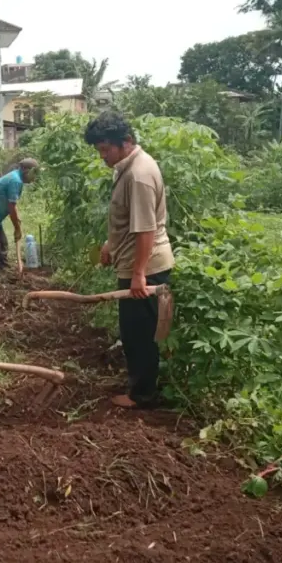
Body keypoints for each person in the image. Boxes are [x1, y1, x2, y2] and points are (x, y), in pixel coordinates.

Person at [83, 110, 174, 409]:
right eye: (100, 150)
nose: (103, 156)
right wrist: (111, 245)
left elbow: (146, 228)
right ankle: (140, 385)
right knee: (134, 331)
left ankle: (142, 395)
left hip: (146, 268)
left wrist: (139, 274)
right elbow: (128, 219)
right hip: (137, 263)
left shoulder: (139, 175)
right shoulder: (128, 167)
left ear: (126, 142)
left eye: (105, 149)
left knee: (140, 335)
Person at [0, 158, 39, 274]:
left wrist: (17, 222)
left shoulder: (17, 180)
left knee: (2, 242)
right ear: (26, 171)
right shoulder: (16, 181)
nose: (35, 177)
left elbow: (13, 203)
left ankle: (3, 267)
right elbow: (11, 208)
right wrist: (17, 228)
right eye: (34, 173)